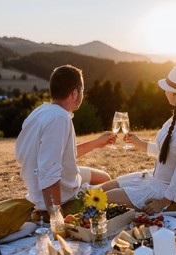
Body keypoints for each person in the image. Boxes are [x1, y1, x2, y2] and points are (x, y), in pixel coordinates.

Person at [99, 65, 176, 215]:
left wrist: (163, 202)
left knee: (102, 198)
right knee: (98, 190)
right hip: (153, 179)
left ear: (173, 93)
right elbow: (168, 152)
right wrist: (140, 143)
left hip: (171, 189)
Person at [15, 64, 116, 218]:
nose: (83, 93)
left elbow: (60, 154)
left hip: (40, 178)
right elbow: (49, 171)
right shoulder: (59, 118)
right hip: (54, 193)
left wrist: (97, 142)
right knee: (112, 191)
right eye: (82, 90)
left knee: (104, 177)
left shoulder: (41, 111)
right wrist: (57, 217)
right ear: (75, 93)